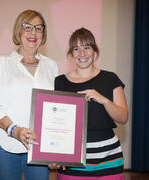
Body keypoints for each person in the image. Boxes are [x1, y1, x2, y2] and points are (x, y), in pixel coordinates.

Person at [0, 10, 58, 180]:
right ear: (19, 30)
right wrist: (14, 130)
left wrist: (56, 147)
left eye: (39, 28)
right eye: (28, 27)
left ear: (43, 34)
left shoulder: (52, 66)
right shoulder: (2, 64)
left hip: (39, 145)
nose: (33, 32)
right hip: (6, 144)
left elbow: (55, 107)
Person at [53, 28, 128, 180]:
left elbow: (123, 117)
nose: (82, 54)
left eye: (87, 47)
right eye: (76, 49)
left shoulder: (110, 78)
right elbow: (56, 125)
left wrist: (103, 100)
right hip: (72, 159)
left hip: (109, 158)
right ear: (71, 54)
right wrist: (54, 153)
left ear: (95, 51)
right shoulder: (60, 82)